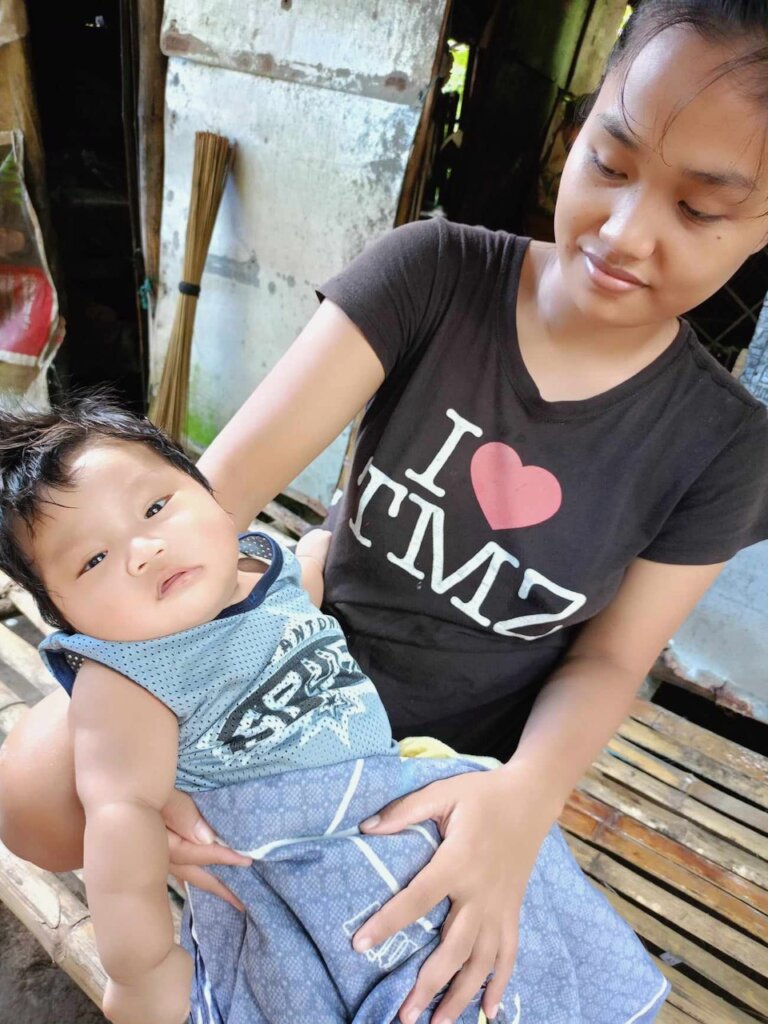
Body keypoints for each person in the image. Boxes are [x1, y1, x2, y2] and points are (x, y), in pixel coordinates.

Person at [2, 2, 768, 1021]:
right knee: (29, 791)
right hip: (272, 674)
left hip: (443, 762)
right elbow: (215, 497)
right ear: (580, 125)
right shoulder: (435, 273)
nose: (626, 231)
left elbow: (612, 658)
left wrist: (523, 801)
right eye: (611, 161)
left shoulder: (720, 444)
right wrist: (143, 774)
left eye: (701, 208)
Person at [0, 398, 667, 1024]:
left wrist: (324, 545)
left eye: (155, 507)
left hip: (385, 801)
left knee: (512, 907)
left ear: (206, 492)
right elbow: (121, 823)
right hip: (295, 865)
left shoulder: (262, 567)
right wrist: (141, 971)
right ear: (64, 616)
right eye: (93, 559)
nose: (143, 550)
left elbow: (308, 579)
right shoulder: (127, 678)